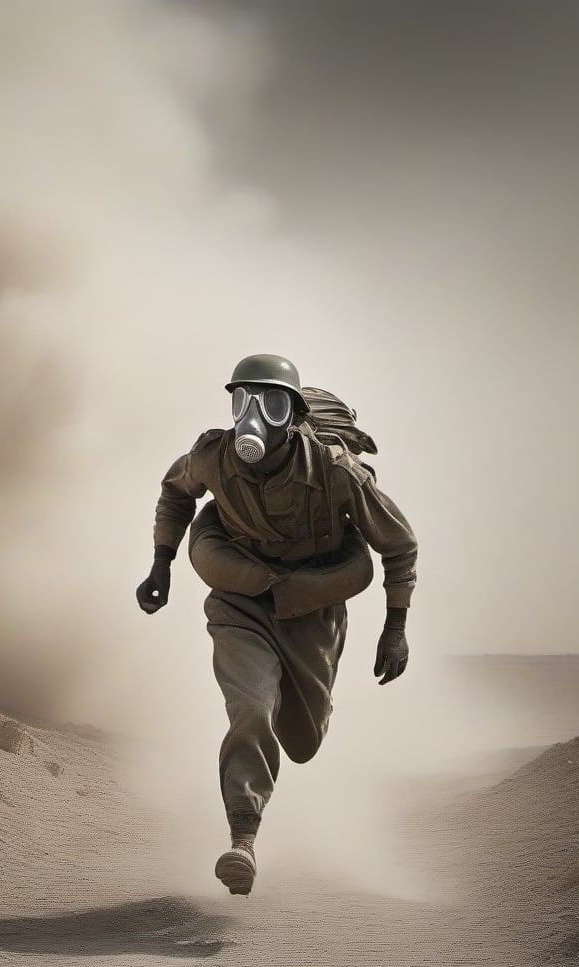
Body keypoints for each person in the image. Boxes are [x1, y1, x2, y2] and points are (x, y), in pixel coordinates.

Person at [136, 354, 417, 895]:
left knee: (304, 740)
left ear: (292, 415)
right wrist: (161, 564)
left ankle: (295, 725)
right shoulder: (213, 457)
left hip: (312, 605)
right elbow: (175, 492)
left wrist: (395, 627)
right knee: (251, 706)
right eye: (242, 401)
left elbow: (398, 545)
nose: (252, 418)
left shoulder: (335, 472)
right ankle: (243, 839)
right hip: (241, 600)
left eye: (269, 403)